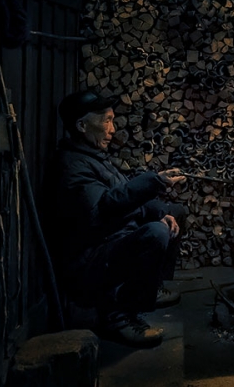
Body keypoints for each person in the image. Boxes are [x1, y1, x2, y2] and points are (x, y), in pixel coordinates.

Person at [40, 89, 188, 348]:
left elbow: (120, 201)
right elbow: (102, 211)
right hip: (88, 262)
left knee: (173, 213)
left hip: (109, 241)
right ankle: (118, 317)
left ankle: (150, 290)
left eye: (112, 120)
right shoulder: (73, 167)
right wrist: (152, 182)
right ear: (82, 126)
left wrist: (158, 208)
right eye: (106, 121)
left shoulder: (92, 157)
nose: (112, 129)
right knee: (156, 233)